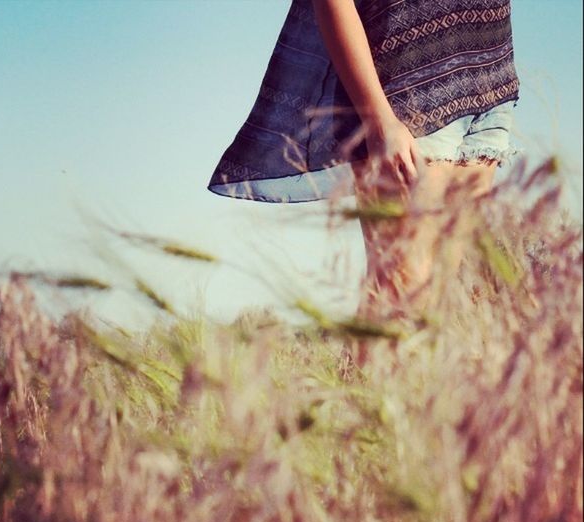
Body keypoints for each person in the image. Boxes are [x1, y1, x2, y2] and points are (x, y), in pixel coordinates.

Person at [208, 0, 519, 364]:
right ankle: (361, 413)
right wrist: (379, 121)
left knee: (441, 291)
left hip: (491, 84)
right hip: (409, 89)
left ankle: (416, 417)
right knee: (401, 289)